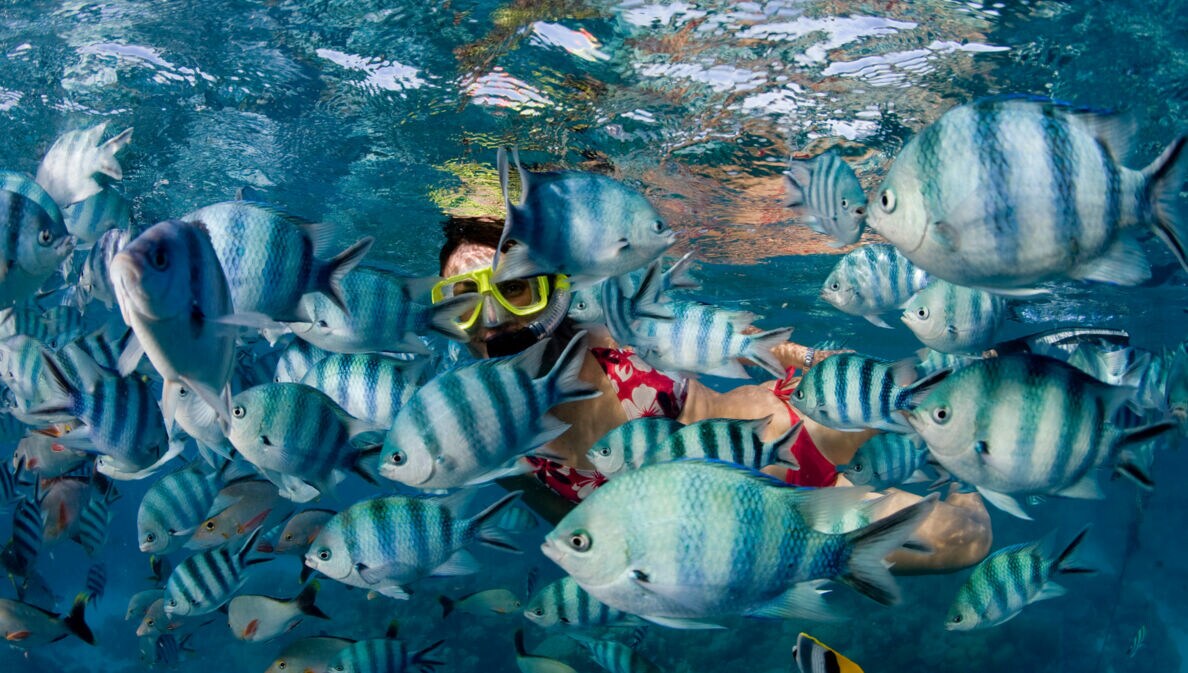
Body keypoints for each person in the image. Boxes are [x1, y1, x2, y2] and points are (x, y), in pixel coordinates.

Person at [434, 216, 991, 573]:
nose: (492, 318)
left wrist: (831, 370)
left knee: (951, 405)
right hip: (778, 531)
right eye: (463, 300)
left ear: (550, 290)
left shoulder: (607, 326)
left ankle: (971, 450)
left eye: (514, 290)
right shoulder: (491, 442)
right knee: (964, 542)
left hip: (793, 425)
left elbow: (741, 339)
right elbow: (564, 518)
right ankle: (967, 473)